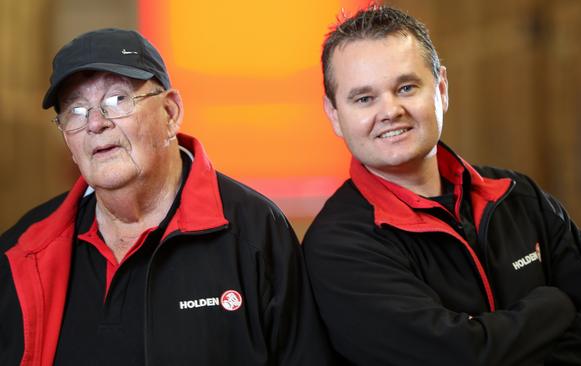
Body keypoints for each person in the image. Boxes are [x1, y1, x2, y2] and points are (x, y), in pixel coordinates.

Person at [302, 5, 581, 366]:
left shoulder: (517, 196)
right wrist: (553, 305)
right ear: (334, 115)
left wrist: (495, 345)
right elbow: (456, 358)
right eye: (364, 98)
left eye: (406, 87)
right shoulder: (339, 247)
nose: (390, 111)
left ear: (441, 88)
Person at [0, 28, 336, 366]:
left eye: (117, 100)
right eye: (76, 110)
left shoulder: (256, 232)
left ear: (171, 113)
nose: (96, 123)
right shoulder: (23, 251)